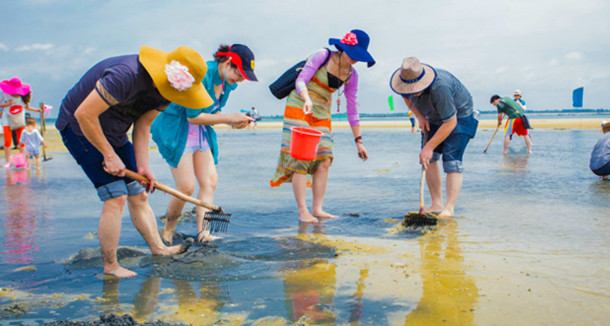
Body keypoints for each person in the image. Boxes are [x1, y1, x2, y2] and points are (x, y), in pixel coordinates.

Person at [56, 45, 213, 278]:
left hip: (116, 133)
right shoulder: (126, 75)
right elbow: (84, 114)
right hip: (80, 128)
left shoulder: (168, 93)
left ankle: (159, 248)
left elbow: (142, 126)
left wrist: (143, 167)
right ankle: (110, 266)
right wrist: (108, 155)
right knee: (116, 196)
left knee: (139, 192)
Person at [151, 44, 257, 244]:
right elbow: (193, 116)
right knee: (186, 187)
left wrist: (235, 122)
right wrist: (228, 118)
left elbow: (213, 113)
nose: (241, 80)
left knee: (210, 181)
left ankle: (204, 232)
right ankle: (167, 231)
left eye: (244, 77)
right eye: (240, 74)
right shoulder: (203, 74)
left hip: (199, 131)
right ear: (228, 63)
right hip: (176, 128)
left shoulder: (227, 83)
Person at [270, 29, 374, 223]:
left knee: (325, 157)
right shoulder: (323, 56)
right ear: (344, 48)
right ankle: (303, 211)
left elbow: (352, 108)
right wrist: (307, 98)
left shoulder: (352, 75)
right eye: (354, 54)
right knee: (301, 157)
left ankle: (317, 209)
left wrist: (358, 141)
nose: (356, 59)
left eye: (360, 56)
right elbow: (301, 80)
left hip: (322, 111)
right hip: (300, 104)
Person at [390, 57, 478, 218]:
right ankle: (436, 203)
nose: (410, 91)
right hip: (431, 117)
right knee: (427, 159)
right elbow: (406, 98)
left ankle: (449, 208)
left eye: (414, 88)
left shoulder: (440, 87)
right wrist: (419, 116)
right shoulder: (405, 84)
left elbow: (451, 122)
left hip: (459, 117)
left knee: (452, 161)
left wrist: (429, 146)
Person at [0, 77, 43, 167]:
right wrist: (6, 105)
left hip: (20, 120)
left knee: (22, 141)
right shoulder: (4, 94)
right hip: (7, 120)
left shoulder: (22, 96)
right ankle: (8, 161)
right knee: (7, 141)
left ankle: (23, 160)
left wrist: (36, 110)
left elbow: (26, 107)